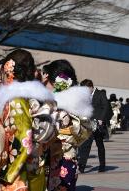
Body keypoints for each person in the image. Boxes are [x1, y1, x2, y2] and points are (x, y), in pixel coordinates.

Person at [0, 49, 56, 190]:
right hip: (34, 167)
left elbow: (23, 137)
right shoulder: (34, 97)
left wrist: (3, 169)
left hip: (16, 174)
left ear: (9, 72)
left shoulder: (15, 99)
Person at [42, 60, 92, 190]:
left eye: (47, 79)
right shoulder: (50, 100)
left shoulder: (72, 104)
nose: (44, 83)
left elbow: (84, 131)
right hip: (50, 157)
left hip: (63, 156)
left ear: (58, 82)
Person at [78, 79, 108, 173]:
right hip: (87, 123)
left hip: (98, 124)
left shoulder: (100, 94)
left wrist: (101, 119)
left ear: (91, 87)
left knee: (100, 145)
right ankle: (82, 165)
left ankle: (102, 165)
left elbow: (105, 107)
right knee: (85, 145)